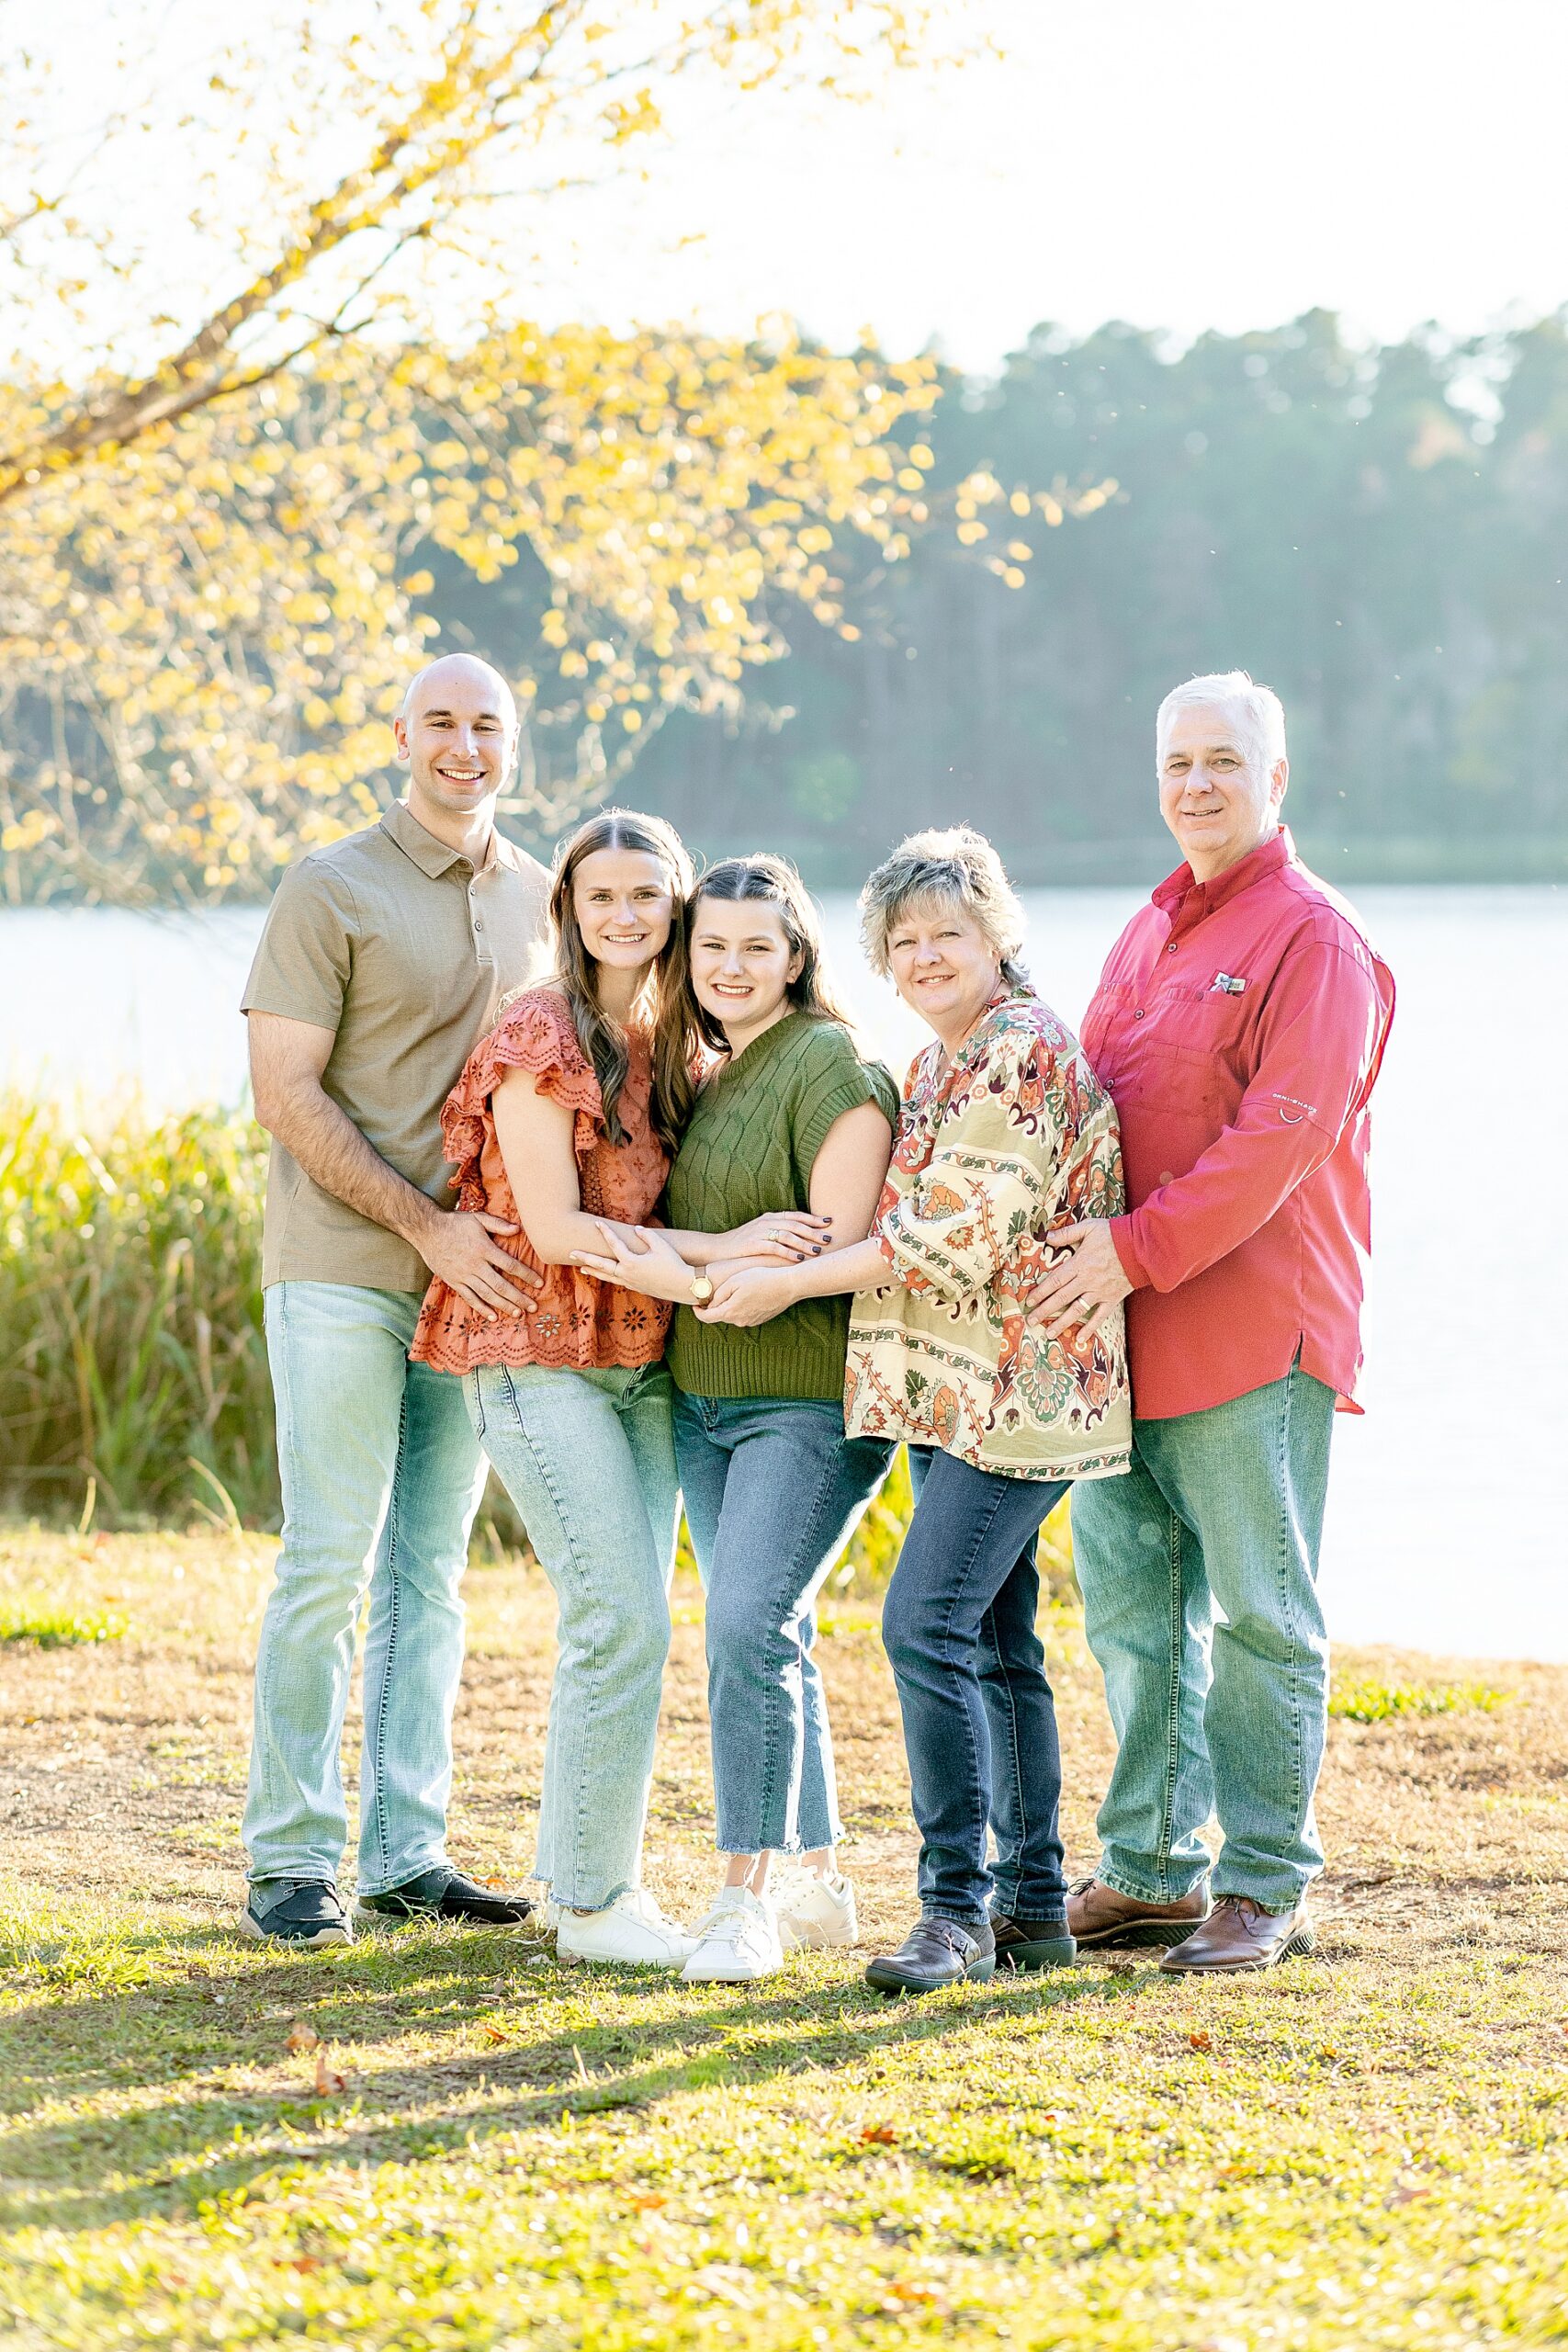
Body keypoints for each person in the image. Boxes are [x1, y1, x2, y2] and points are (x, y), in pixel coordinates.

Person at [691, 828, 1131, 1995]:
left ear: (998, 934)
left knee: (920, 1624)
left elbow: (955, 1239)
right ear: (882, 959)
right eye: (905, 939)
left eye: (951, 930)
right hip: (955, 1398)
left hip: (1019, 1399)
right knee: (995, 1641)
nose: (928, 952)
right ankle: (1033, 1905)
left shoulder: (1020, 1050)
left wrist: (786, 1278)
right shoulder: (940, 1061)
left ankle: (952, 1909)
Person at [1028, 672, 1395, 1974]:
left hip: (1249, 1333)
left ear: (1274, 778)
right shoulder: (1145, 934)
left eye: (1222, 762)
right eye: (1176, 761)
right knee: (1132, 1610)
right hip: (1119, 1341)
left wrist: (1128, 1252)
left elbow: (1275, 1143)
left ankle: (1259, 1881)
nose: (1195, 784)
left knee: (1255, 1614)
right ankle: (1148, 1870)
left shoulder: (1315, 939)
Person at [410, 813, 824, 1967]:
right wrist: (733, 1249)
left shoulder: (672, 1037)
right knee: (621, 1621)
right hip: (537, 1353)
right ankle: (593, 1905)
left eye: (649, 895)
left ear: (679, 906)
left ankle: (579, 1883)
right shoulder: (544, 1030)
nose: (627, 915)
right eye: (603, 897)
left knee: (622, 1626)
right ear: (570, 910)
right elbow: (552, 1228)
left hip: (640, 1364)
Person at [239, 653, 553, 1948]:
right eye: (440, 722)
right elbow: (285, 1094)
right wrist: (423, 1222)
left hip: (476, 1287)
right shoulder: (329, 886)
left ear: (512, 741)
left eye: (487, 724)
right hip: (342, 1273)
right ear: (399, 735)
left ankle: (405, 1852)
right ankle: (292, 1859)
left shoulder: (543, 895)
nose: (463, 747)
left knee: (431, 1570)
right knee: (329, 1560)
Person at [573, 856, 899, 1984]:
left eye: (757, 946)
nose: (731, 965)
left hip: (801, 1403)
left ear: (797, 956)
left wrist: (746, 1276)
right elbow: (687, 1242)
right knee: (769, 1630)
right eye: (712, 945)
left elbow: (834, 1240)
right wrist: (713, 1269)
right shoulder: (706, 1071)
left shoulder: (832, 1066)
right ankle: (817, 1883)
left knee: (749, 1626)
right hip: (701, 1397)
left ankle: (741, 1902)